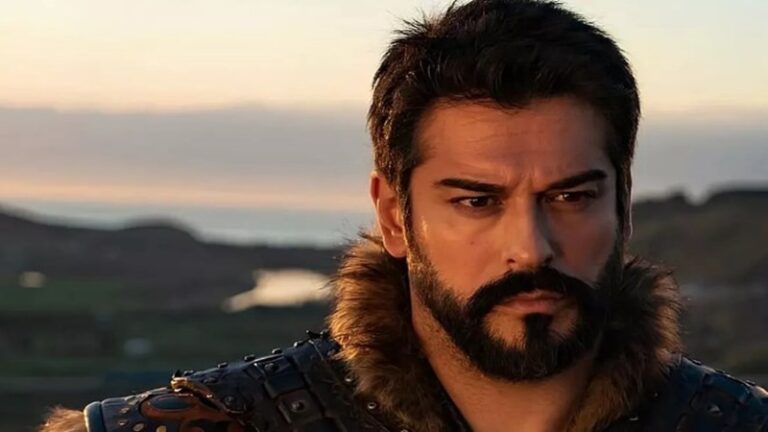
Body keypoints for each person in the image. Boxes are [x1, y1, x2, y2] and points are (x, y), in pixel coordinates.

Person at [40, 1, 768, 431]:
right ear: (395, 217)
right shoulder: (217, 424)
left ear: (624, 206)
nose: (530, 247)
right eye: (477, 201)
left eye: (570, 197)